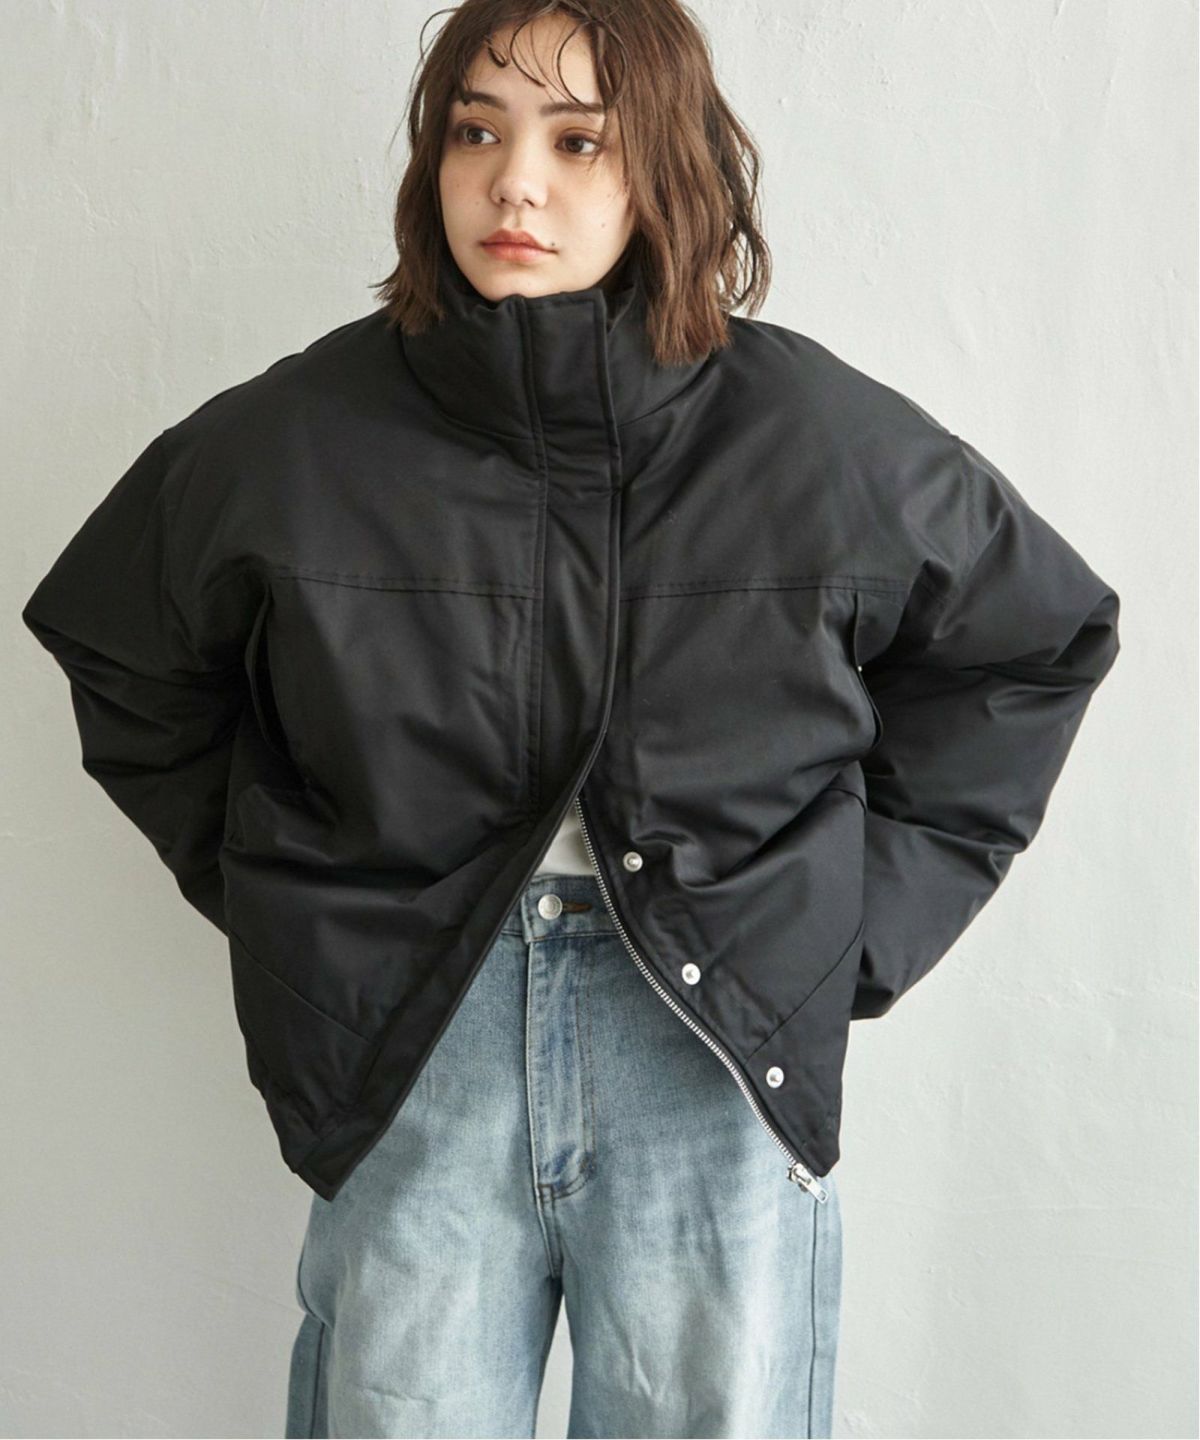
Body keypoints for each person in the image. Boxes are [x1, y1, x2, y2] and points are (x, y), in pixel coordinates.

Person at [20, 2, 1121, 1437]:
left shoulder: (819, 442)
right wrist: (296, 900)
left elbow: (1031, 642)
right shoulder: (293, 440)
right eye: (475, 131)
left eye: (578, 141)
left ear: (666, 167)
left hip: (712, 1043)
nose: (515, 183)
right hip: (420, 1035)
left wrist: (848, 932)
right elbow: (122, 647)